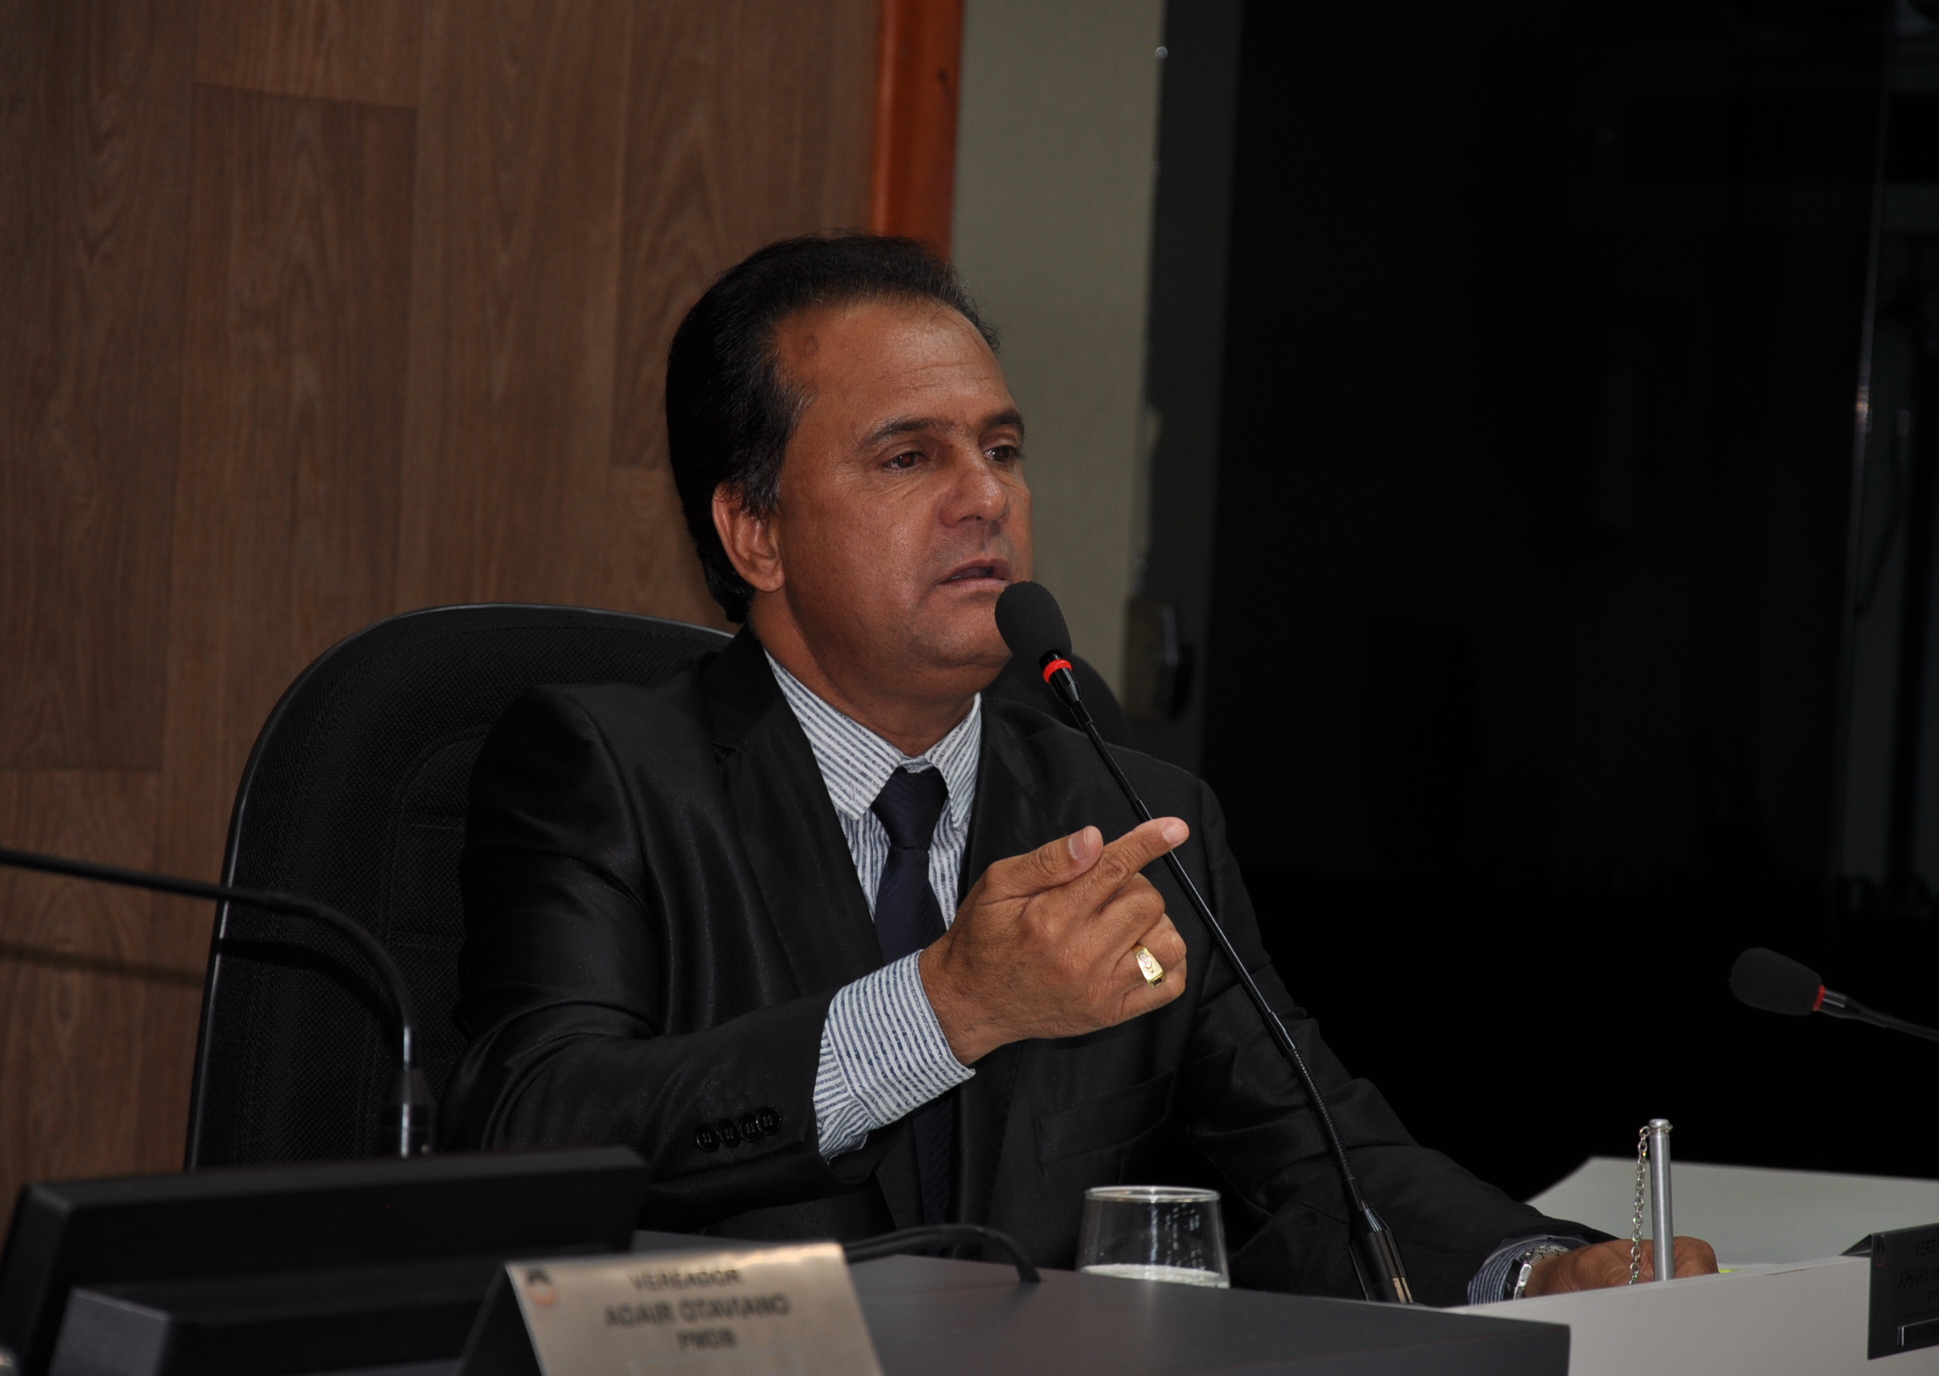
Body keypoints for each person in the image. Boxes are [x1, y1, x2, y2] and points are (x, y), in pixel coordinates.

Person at [442, 233, 1716, 1303]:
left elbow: (1317, 1158)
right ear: (753, 531)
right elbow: (536, 1122)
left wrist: (1538, 1271)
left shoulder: (1124, 809)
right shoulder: (609, 769)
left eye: (1000, 449)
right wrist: (944, 1006)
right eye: (909, 456)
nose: (985, 498)